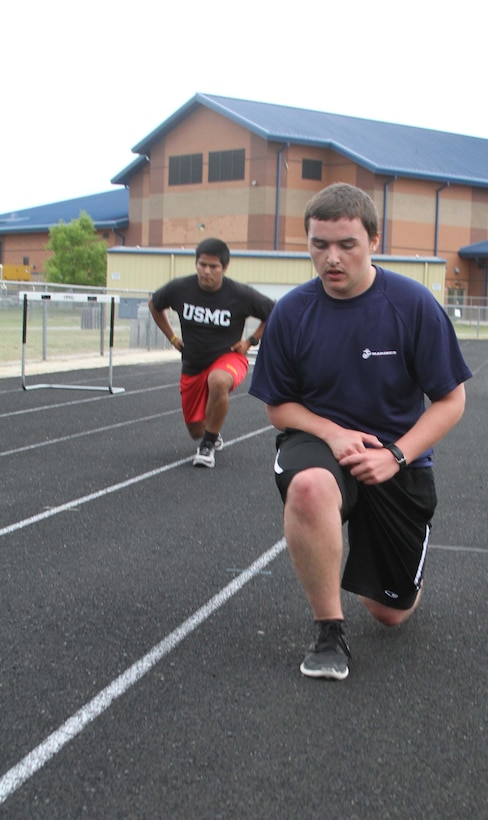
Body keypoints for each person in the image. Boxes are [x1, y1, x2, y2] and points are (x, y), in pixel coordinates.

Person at [249, 183, 472, 680]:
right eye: (319, 244)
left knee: (390, 613)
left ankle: (400, 580)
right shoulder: (291, 312)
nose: (332, 258)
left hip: (396, 454)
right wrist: (330, 432)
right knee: (308, 487)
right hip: (317, 441)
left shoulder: (412, 305)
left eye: (346, 244)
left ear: (373, 239)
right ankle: (329, 633)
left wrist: (396, 455)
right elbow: (278, 408)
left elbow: (451, 399)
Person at [149, 237, 274, 468]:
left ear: (224, 268)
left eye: (213, 266)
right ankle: (210, 434)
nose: (207, 271)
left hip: (229, 358)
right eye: (202, 265)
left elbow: (274, 311)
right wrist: (172, 337)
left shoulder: (240, 294)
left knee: (218, 381)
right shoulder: (179, 288)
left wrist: (251, 341)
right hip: (194, 363)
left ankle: (207, 446)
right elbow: (154, 305)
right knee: (196, 430)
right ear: (196, 264)